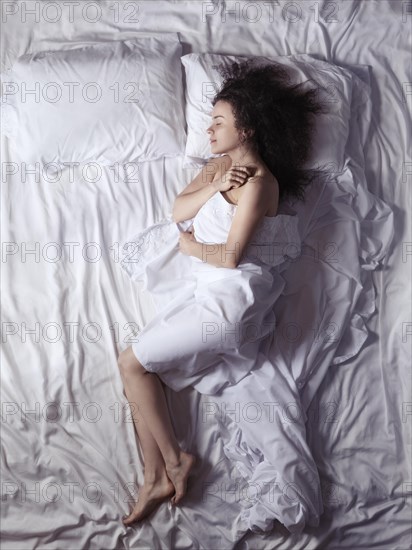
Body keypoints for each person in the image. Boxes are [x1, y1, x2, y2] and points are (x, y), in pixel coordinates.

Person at [118, 59, 325, 526]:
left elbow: (231, 256)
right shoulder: (219, 168)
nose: (208, 130)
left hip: (230, 304)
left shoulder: (260, 184)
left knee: (132, 363)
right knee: (141, 373)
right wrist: (213, 188)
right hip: (205, 294)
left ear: (247, 128)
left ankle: (175, 462)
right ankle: (154, 475)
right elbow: (177, 210)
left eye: (218, 122)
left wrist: (191, 246)